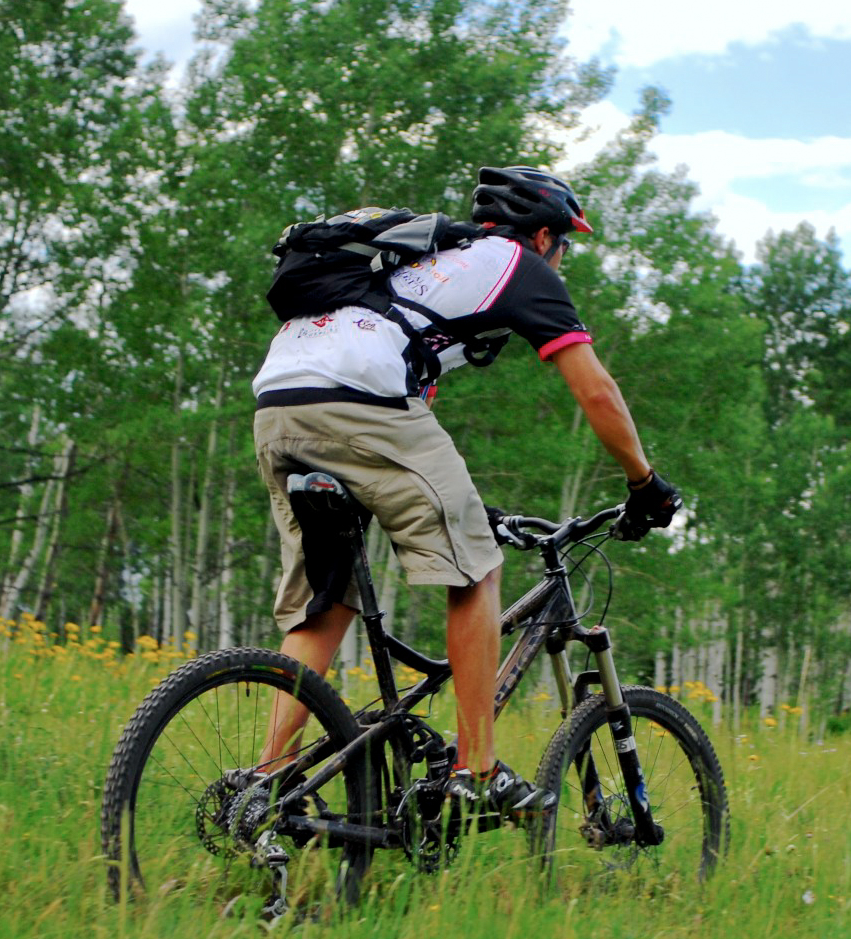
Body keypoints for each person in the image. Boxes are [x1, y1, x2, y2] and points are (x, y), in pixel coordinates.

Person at [248, 165, 681, 817]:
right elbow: (597, 390)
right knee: (477, 572)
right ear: (542, 237)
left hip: (279, 402)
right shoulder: (520, 265)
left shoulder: (428, 262)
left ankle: (269, 786)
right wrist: (645, 483)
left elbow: (408, 410)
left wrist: (473, 505)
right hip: (358, 399)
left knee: (324, 604)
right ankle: (475, 770)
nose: (563, 260)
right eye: (564, 245)